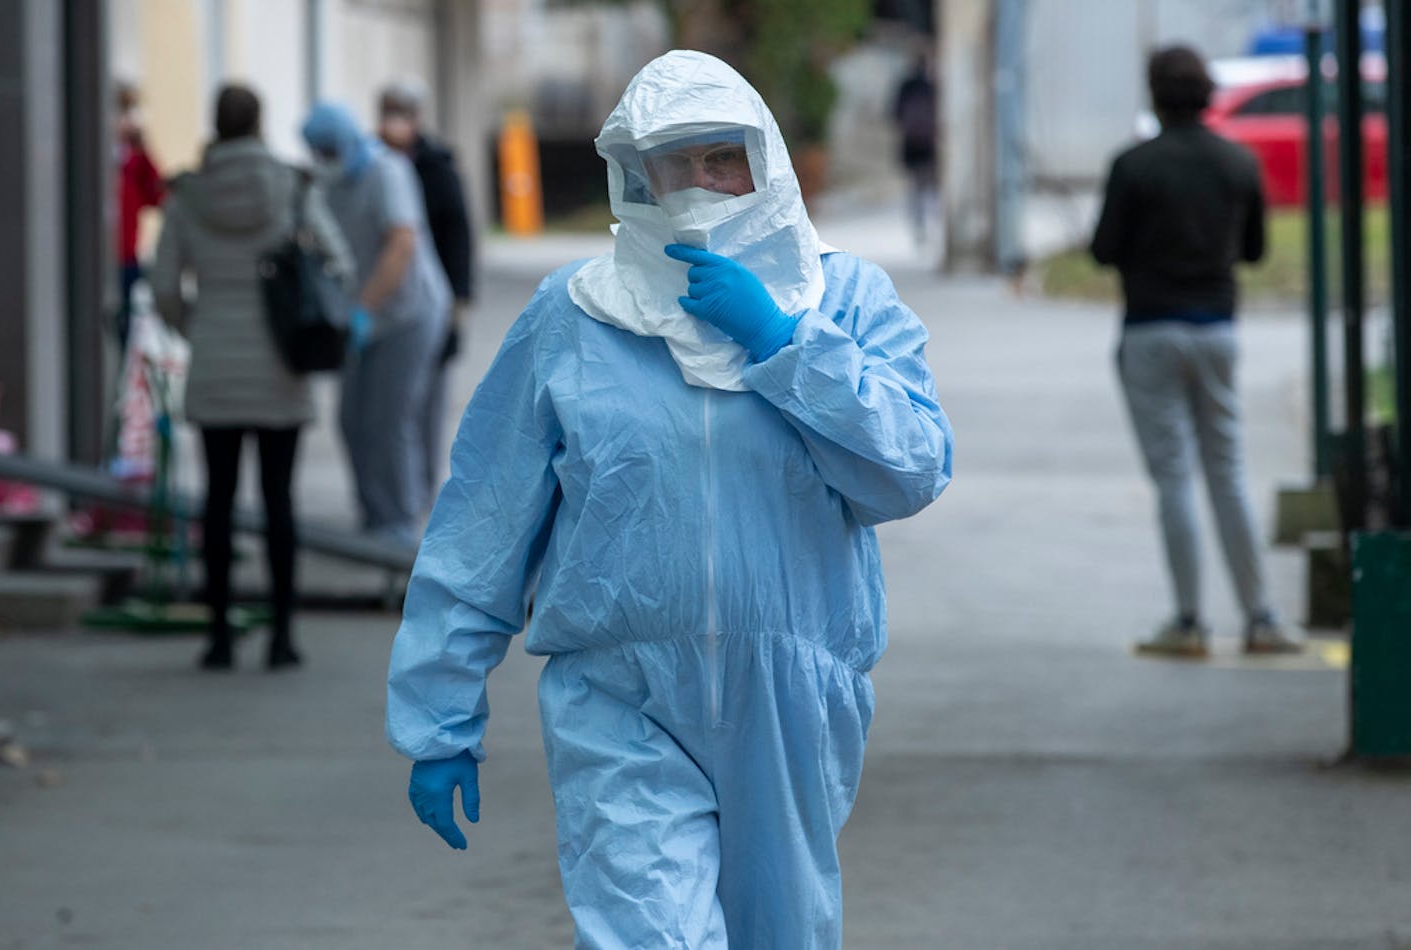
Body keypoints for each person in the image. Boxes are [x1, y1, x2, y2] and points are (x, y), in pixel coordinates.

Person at [387, 50, 953, 947]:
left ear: (763, 161)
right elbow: (484, 522)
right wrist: (440, 712)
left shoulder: (844, 300)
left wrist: (785, 343)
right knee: (648, 936)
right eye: (673, 163)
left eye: (719, 158)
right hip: (621, 694)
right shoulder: (574, 317)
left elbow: (911, 468)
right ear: (633, 175)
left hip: (794, 696)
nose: (698, 185)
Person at [1091, 46, 1301, 658]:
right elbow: (1256, 250)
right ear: (1208, 93)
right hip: (1218, 330)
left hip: (1150, 329)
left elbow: (1105, 249)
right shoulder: (1238, 162)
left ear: (1155, 95)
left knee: (1174, 478)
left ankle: (1187, 622)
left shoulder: (1133, 165)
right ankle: (1261, 617)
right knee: (1227, 471)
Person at [150, 84, 354, 670]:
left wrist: (196, 328)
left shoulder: (187, 196)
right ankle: (282, 637)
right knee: (278, 502)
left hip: (215, 363)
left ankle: (217, 639)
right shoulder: (292, 189)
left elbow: (163, 285)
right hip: (280, 367)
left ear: (215, 126)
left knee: (217, 501)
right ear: (261, 123)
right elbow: (340, 262)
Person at [301, 102, 450, 545]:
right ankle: (373, 515)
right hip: (361, 317)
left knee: (390, 420)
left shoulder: (387, 172)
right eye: (317, 151)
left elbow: (401, 244)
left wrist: (364, 307)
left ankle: (398, 521)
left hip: (409, 313)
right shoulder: (330, 184)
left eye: (330, 149)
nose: (325, 158)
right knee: (352, 420)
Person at [377, 79, 475, 497]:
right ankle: (397, 488)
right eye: (387, 111)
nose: (392, 122)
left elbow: (458, 235)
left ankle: (422, 489)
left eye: (400, 112)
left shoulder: (436, 167)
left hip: (432, 299)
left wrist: (459, 301)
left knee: (429, 402)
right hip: (387, 297)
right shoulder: (374, 162)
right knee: (392, 405)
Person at [116, 80, 165, 352]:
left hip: (127, 256)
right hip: (103, 257)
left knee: (127, 331)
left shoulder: (133, 158)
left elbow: (157, 196)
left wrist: (143, 151)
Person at [891, 53, 940, 255]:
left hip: (910, 142)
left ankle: (919, 225)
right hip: (929, 142)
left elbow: (894, 114)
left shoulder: (905, 86)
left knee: (915, 185)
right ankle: (932, 224)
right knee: (930, 185)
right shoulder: (931, 87)